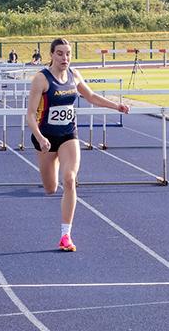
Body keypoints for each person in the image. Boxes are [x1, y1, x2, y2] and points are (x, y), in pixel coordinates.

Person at [26, 38, 129, 252]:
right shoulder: (41, 79)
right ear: (52, 55)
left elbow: (90, 96)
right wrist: (40, 137)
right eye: (60, 54)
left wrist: (116, 105)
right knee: (50, 188)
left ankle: (66, 235)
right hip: (44, 137)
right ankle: (53, 163)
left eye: (68, 54)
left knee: (70, 179)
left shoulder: (74, 75)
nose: (65, 58)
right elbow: (29, 115)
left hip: (68, 135)